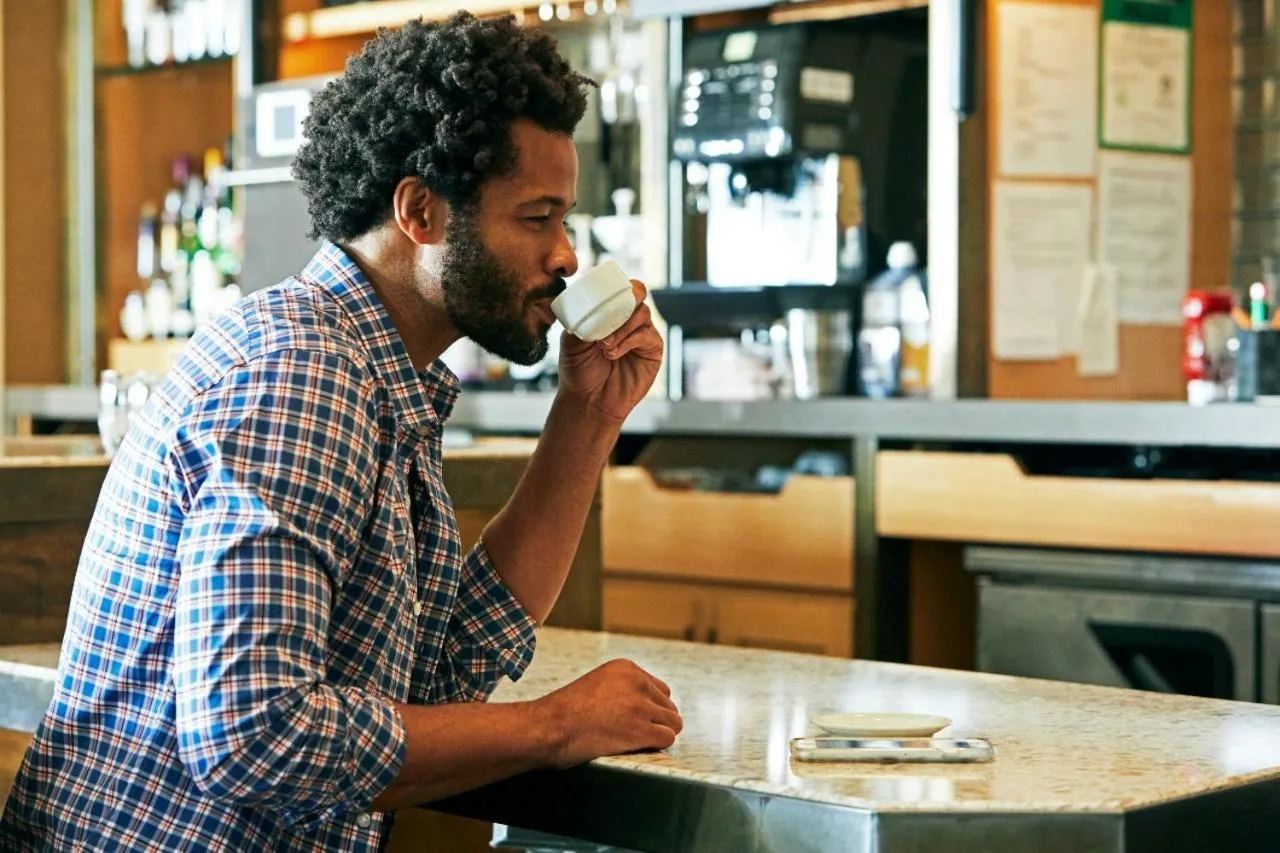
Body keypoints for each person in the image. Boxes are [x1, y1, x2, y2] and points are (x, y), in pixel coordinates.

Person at [0, 12, 682, 851]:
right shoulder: (302, 374)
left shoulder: (377, 372)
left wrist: (588, 415)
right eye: (538, 218)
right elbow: (255, 736)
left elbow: (440, 672)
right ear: (421, 211)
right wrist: (554, 724)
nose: (567, 255)